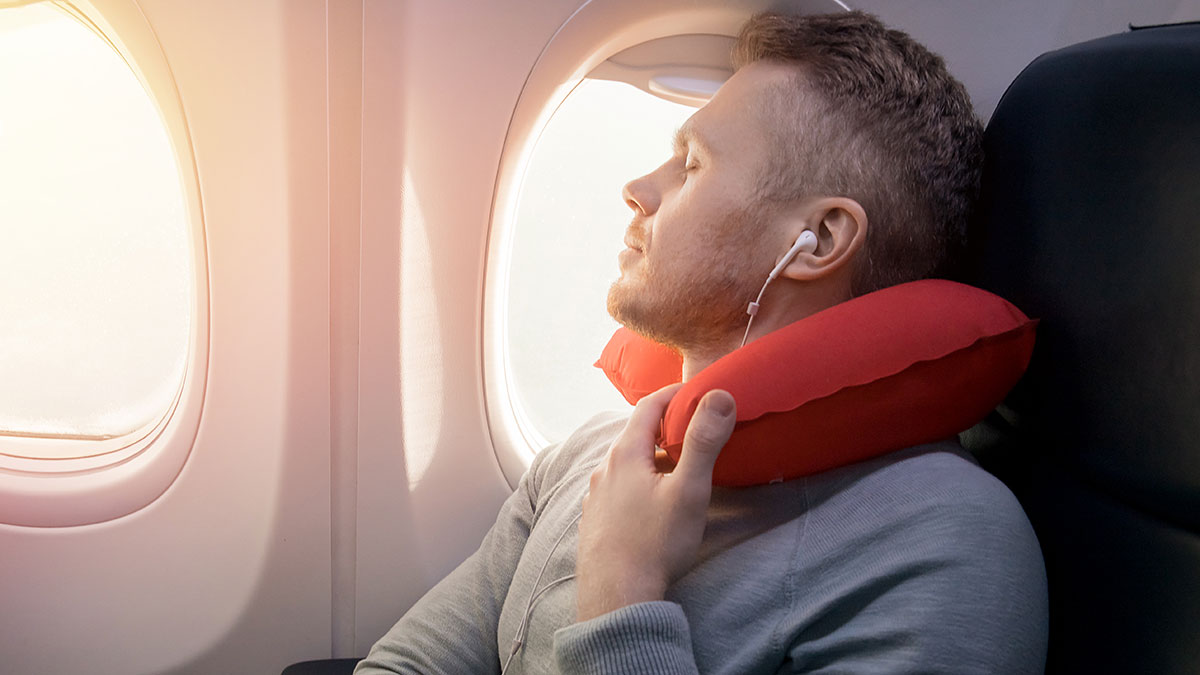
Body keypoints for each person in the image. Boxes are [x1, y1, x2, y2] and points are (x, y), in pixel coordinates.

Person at [356, 10, 1048, 674]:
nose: (636, 189)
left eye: (691, 164)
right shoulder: (594, 455)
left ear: (819, 240)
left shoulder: (944, 540)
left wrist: (622, 594)